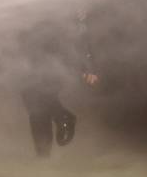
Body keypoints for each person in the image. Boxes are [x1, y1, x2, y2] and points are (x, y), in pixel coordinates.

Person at [20, 8, 99, 157]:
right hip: (35, 55)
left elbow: (81, 32)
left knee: (38, 101)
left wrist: (88, 67)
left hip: (56, 58)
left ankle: (62, 119)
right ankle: (43, 155)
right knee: (35, 106)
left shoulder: (70, 4)